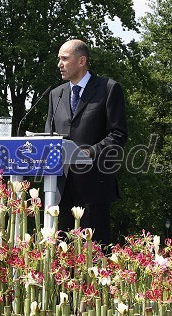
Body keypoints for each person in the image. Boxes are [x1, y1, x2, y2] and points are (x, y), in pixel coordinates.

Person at [45, 39, 127, 245]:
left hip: (94, 188)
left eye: (64, 59)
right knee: (63, 257)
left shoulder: (108, 89)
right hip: (60, 189)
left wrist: (89, 152)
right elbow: (49, 136)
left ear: (81, 61)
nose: (59, 64)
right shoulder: (56, 94)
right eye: (59, 59)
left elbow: (118, 134)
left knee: (95, 255)